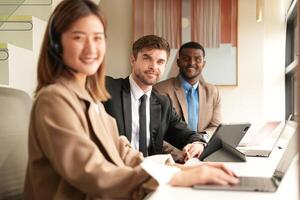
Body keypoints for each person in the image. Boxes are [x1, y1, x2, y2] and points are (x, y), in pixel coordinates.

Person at [24, 1, 238, 199]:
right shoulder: (54, 99)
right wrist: (175, 177)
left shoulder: (88, 97)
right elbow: (91, 170)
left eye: (97, 38)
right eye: (78, 37)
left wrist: (180, 170)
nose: (91, 48)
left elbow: (122, 150)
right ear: (56, 44)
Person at [103, 35, 206, 162]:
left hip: (150, 175)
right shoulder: (107, 88)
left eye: (160, 62)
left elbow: (186, 134)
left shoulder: (163, 103)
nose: (153, 66)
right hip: (113, 173)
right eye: (147, 58)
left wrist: (197, 143)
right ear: (133, 60)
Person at [154, 42, 221, 138]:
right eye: (186, 59)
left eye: (197, 59)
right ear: (178, 62)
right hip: (174, 151)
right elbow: (158, 132)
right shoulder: (160, 90)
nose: (191, 63)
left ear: (203, 64)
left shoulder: (212, 91)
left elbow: (216, 126)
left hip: (203, 148)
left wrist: (199, 141)